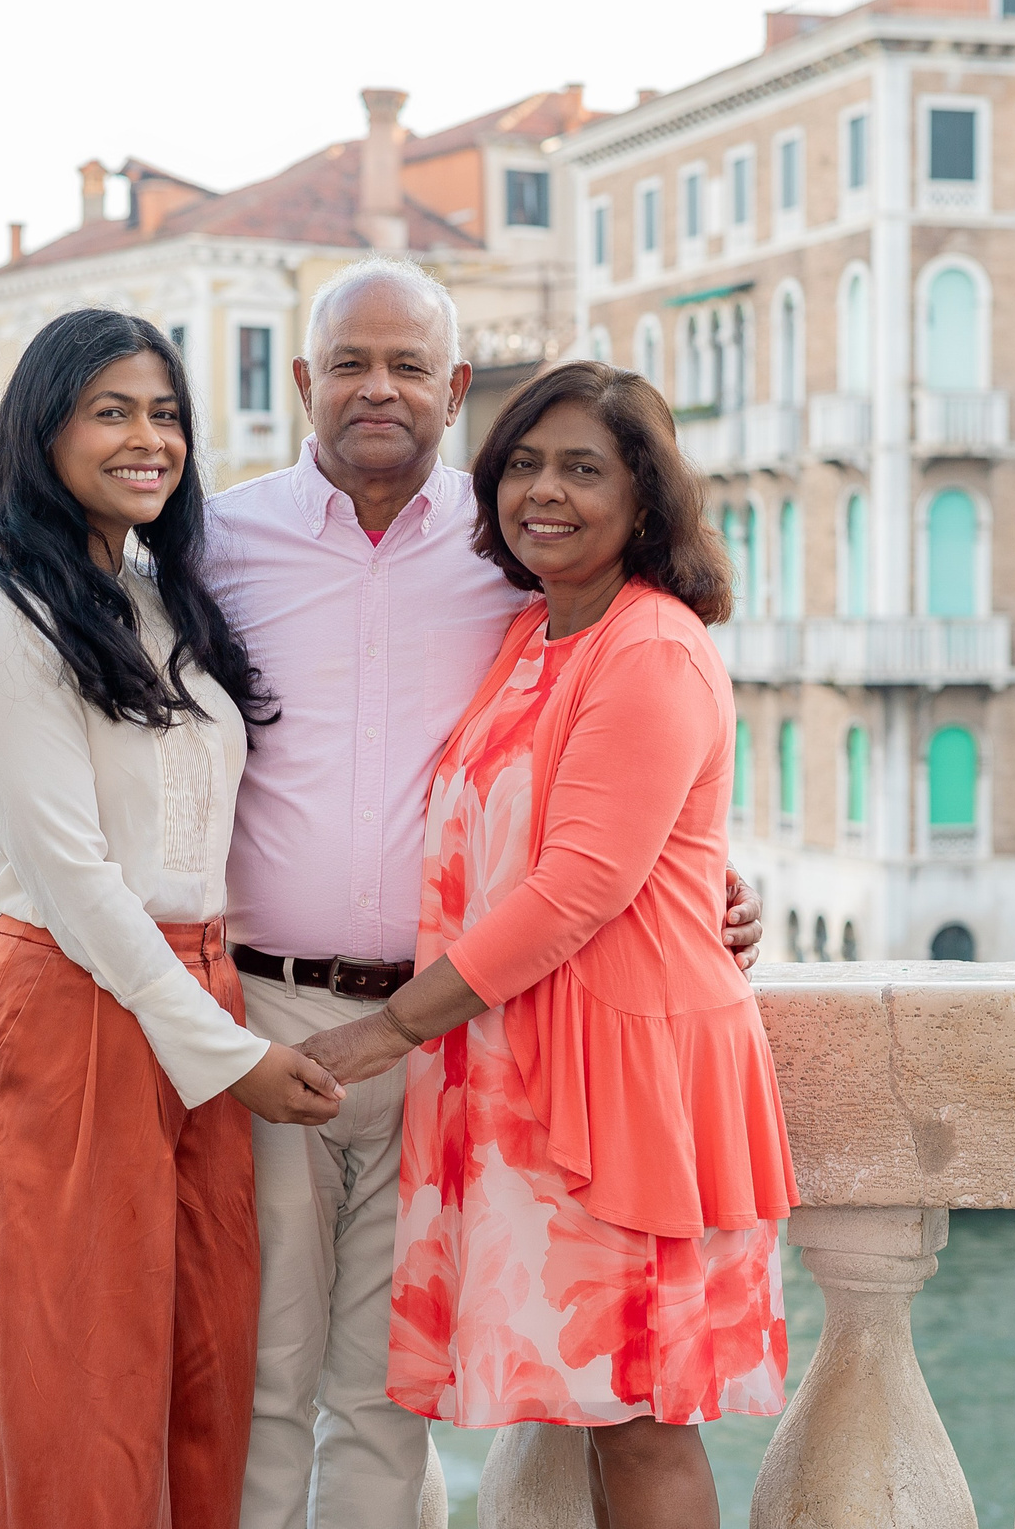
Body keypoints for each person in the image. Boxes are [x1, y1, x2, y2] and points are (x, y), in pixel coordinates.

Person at [0, 262, 764, 1527]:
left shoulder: (517, 554)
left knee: (394, 1392)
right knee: (258, 1376)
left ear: (453, 388)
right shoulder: (206, 545)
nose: (375, 388)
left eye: (406, 366)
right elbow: (79, 710)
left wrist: (706, 869)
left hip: (459, 1036)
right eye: (347, 363)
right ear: (302, 383)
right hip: (258, 1017)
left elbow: (606, 743)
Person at [297, 361, 798, 1529]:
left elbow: (578, 884)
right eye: (522, 463)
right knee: (588, 1400)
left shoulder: (652, 648)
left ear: (646, 496)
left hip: (624, 1076)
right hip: (528, 1065)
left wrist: (385, 1029)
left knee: (639, 1412)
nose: (545, 492)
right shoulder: (533, 632)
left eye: (584, 467)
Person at [0, 307, 345, 1529]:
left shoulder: (161, 599)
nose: (146, 439)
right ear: (42, 428)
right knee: (73, 1404)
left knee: (198, 1383)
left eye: (165, 413)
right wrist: (234, 1057)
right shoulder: (0, 616)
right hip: (73, 1018)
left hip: (189, 1009)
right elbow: (69, 881)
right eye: (111, 410)